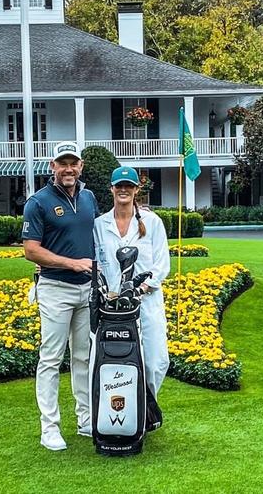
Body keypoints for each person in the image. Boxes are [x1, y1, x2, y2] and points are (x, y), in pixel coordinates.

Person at [22, 141, 100, 451]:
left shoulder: (89, 197)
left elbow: (97, 233)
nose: (68, 169)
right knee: (51, 359)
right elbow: (31, 250)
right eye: (62, 163)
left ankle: (85, 420)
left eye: (73, 163)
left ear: (80, 166)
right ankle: (49, 428)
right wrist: (72, 263)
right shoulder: (38, 202)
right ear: (53, 167)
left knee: (83, 357)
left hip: (86, 289)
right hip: (55, 288)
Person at [93, 166, 170, 399]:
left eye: (129, 186)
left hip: (146, 302)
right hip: (113, 307)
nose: (123, 190)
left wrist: (141, 288)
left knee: (156, 361)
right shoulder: (100, 225)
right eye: (119, 186)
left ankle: (147, 408)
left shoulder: (152, 222)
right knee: (116, 362)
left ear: (137, 189)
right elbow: (96, 263)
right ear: (112, 189)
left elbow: (161, 264)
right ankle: (122, 412)